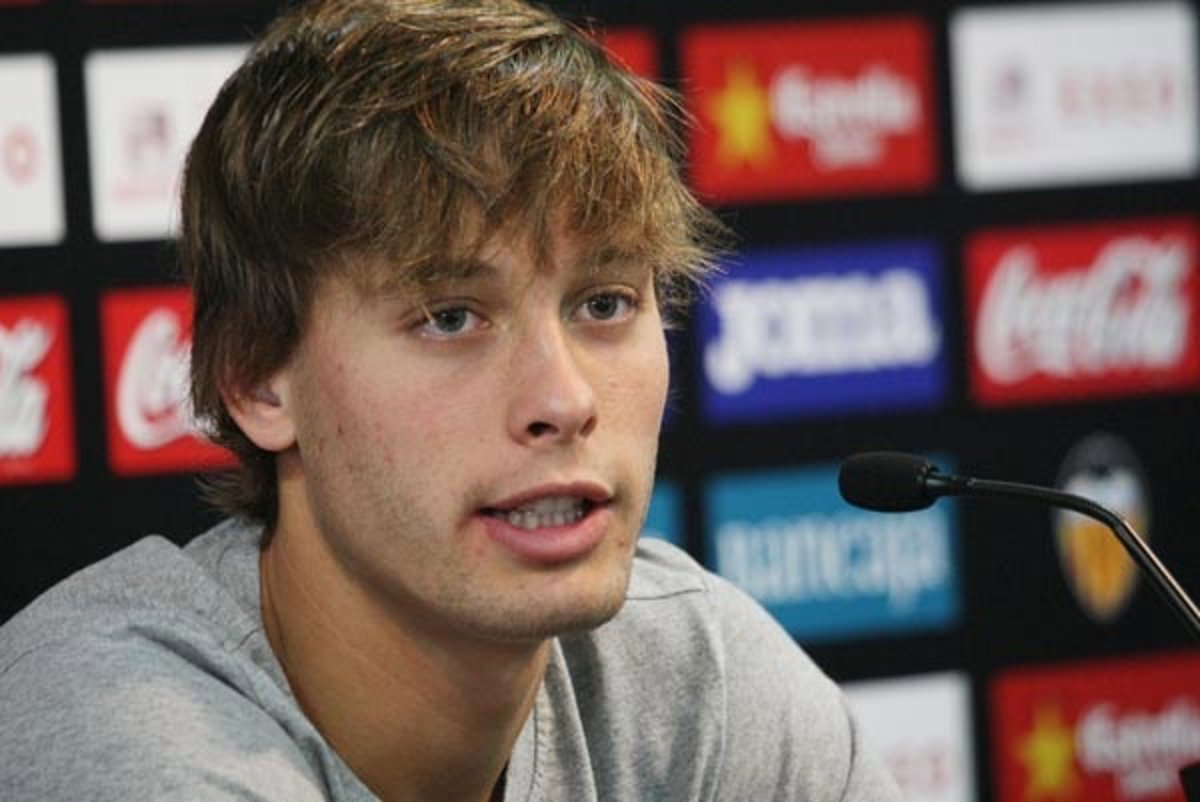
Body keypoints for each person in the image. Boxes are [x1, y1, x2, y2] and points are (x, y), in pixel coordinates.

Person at [0, 1, 903, 800]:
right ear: (255, 378)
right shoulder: (112, 724)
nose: (565, 401)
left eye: (604, 304)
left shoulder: (696, 675)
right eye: (450, 318)